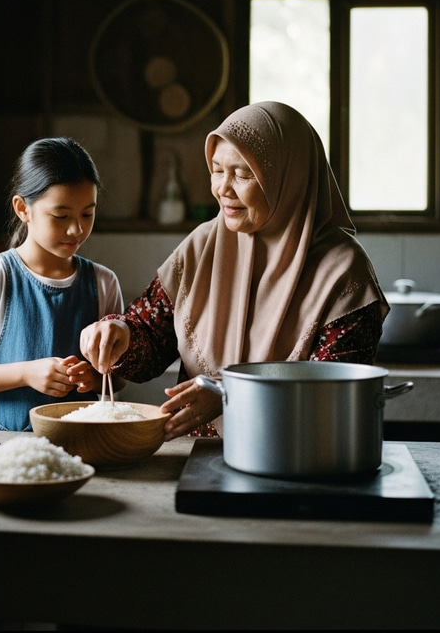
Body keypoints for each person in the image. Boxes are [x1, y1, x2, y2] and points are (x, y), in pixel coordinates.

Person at [80, 101, 389, 442]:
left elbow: (334, 392)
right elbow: (151, 338)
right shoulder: (203, 246)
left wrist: (231, 393)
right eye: (216, 170)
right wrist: (120, 334)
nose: (223, 189)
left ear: (289, 178)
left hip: (298, 462)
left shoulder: (343, 272)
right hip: (197, 460)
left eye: (243, 174)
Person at [0, 136, 125, 431]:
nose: (77, 229)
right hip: (4, 447)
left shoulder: (104, 283)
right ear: (23, 209)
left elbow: (120, 376)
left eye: (88, 213)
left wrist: (93, 379)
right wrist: (25, 374)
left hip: (84, 444)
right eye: (61, 216)